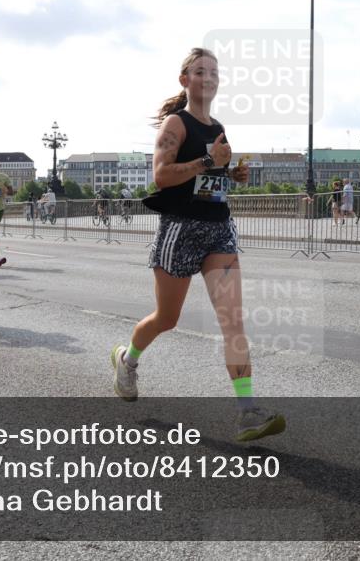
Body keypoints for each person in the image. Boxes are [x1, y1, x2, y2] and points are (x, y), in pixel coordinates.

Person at [112, 47, 285, 443]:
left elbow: (213, 176)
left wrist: (232, 174)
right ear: (184, 80)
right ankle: (127, 358)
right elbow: (161, 176)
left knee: (233, 322)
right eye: (200, 71)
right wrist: (208, 163)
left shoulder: (217, 125)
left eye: (214, 72)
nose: (209, 77)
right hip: (180, 230)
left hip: (217, 230)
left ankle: (247, 412)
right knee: (166, 318)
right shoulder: (176, 124)